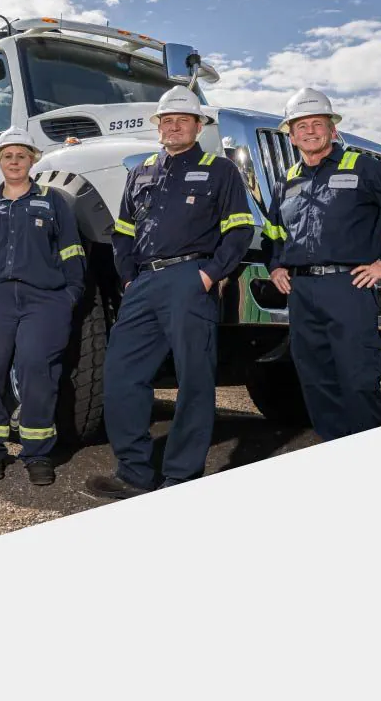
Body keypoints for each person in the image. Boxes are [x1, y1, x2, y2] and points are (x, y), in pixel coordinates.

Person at [86, 85, 254, 500]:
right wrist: (128, 277)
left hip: (190, 279)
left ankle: (181, 476)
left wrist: (210, 274)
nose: (174, 125)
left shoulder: (220, 170)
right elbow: (123, 231)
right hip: (143, 282)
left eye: (183, 119)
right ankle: (134, 472)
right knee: (122, 375)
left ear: (198, 126)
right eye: (167, 120)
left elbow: (239, 228)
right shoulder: (140, 171)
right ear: (158, 126)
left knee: (195, 380)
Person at [0, 127, 85, 485]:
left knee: (37, 370)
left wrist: (69, 295)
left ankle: (37, 452)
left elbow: (72, 253)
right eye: (7, 155)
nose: (14, 161)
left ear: (32, 160)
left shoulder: (52, 200)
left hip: (43, 300)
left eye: (21, 155)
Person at [261, 88, 381, 440]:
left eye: (316, 124)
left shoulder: (365, 168)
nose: (309, 132)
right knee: (316, 381)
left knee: (358, 380)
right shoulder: (286, 181)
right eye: (300, 126)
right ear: (290, 135)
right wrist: (276, 265)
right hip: (302, 292)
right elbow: (274, 231)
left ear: (332, 129)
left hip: (348, 287)